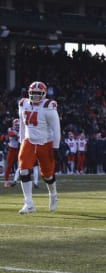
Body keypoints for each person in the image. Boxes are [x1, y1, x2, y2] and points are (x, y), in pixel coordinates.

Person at [16, 81, 61, 213]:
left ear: (44, 94)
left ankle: (53, 195)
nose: (35, 96)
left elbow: (56, 129)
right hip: (29, 141)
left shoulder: (48, 106)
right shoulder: (23, 104)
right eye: (33, 93)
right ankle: (28, 203)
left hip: (45, 143)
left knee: (47, 175)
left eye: (37, 93)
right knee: (23, 170)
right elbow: (22, 125)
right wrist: (21, 141)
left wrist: (56, 147)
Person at [3, 118, 20, 187]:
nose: (17, 126)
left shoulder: (21, 130)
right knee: (9, 165)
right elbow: (10, 134)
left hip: (19, 149)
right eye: (16, 125)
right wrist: (17, 134)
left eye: (18, 125)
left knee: (22, 165)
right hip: (11, 149)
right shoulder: (11, 129)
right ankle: (6, 181)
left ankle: (23, 178)